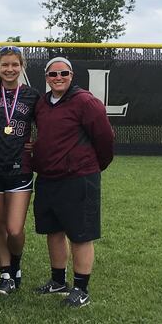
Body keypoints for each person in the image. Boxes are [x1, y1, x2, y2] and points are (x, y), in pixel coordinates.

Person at [32, 57, 114, 308]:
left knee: (80, 234)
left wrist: (87, 166)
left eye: (63, 73)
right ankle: (58, 280)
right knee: (53, 230)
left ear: (72, 75)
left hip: (78, 178)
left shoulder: (86, 102)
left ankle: (81, 288)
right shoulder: (43, 103)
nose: (58, 78)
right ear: (46, 77)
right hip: (48, 177)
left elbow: (105, 139)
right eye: (53, 74)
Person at [0, 46, 40, 295]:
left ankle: (16, 264)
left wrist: (38, 143)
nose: (10, 69)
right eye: (5, 65)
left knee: (15, 229)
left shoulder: (32, 95)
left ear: (21, 66)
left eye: (15, 64)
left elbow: (47, 124)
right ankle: (5, 273)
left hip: (20, 168)